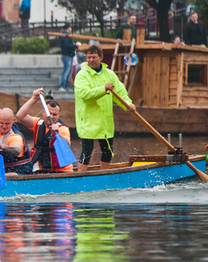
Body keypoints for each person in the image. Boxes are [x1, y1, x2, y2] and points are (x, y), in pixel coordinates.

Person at [74, 44, 136, 172]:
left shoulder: (110, 74)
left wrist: (128, 104)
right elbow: (85, 95)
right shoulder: (81, 75)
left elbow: (120, 92)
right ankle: (80, 178)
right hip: (87, 121)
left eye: (94, 57)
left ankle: (105, 176)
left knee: (107, 152)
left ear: (101, 57)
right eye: (89, 57)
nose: (91, 60)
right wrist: (103, 89)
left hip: (105, 121)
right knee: (87, 154)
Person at [15, 88, 72, 173]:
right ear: (43, 113)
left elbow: (68, 144)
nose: (51, 116)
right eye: (49, 113)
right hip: (44, 170)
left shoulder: (62, 128)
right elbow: (20, 116)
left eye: (55, 114)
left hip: (63, 171)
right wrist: (34, 98)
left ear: (59, 115)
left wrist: (58, 134)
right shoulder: (37, 124)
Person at [59, 23, 77, 91]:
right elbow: (67, 46)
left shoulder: (65, 35)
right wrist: (74, 46)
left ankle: (66, 86)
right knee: (66, 71)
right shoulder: (65, 35)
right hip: (66, 55)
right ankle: (63, 86)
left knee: (69, 72)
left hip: (69, 55)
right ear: (68, 28)